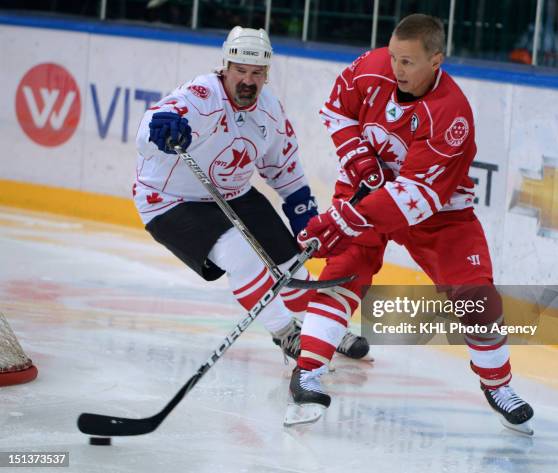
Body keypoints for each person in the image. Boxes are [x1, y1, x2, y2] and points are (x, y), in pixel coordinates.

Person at [285, 14, 535, 435]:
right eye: (394, 56)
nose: (396, 68)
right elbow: (336, 111)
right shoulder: (372, 66)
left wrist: (345, 218)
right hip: (366, 188)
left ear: (436, 60)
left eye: (408, 62)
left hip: (438, 210)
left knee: (476, 294)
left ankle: (499, 386)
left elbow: (416, 197)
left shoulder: (451, 114)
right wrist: (362, 161)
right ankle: (307, 371)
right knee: (342, 274)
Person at [133, 26, 369, 362]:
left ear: (266, 74)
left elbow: (285, 171)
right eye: (240, 71)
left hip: (233, 193)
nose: (248, 80)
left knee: (292, 263)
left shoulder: (269, 111)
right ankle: (288, 333)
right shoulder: (202, 95)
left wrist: (305, 218)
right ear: (225, 67)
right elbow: (154, 122)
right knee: (241, 256)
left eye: (257, 73)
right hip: (171, 200)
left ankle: (321, 326)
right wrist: (161, 128)